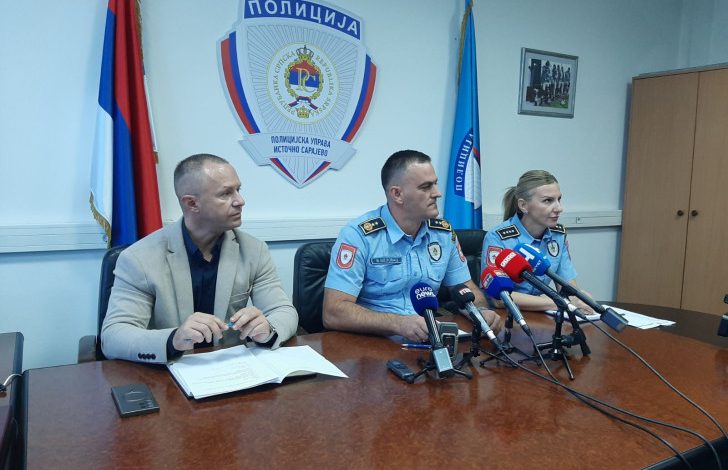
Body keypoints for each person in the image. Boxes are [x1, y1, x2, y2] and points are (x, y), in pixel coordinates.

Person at [101, 154, 298, 363]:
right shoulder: (138, 258)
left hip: (232, 368)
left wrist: (267, 329)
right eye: (225, 193)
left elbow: (283, 311)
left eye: (238, 190)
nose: (240, 201)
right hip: (168, 372)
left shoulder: (254, 250)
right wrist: (173, 339)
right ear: (192, 203)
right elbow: (114, 336)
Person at [322, 149, 502, 342]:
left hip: (429, 336)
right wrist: (398, 324)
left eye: (435, 184)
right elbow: (333, 312)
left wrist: (480, 311)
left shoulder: (443, 233)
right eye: (426, 187)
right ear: (397, 194)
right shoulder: (358, 236)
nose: (437, 193)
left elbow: (465, 287)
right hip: (374, 342)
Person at [481, 170, 593, 313]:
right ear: (523, 205)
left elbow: (567, 287)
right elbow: (499, 298)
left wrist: (578, 299)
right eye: (548, 201)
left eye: (559, 199)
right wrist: (559, 302)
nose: (559, 208)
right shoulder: (498, 237)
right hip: (507, 316)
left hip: (543, 314)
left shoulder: (558, 235)